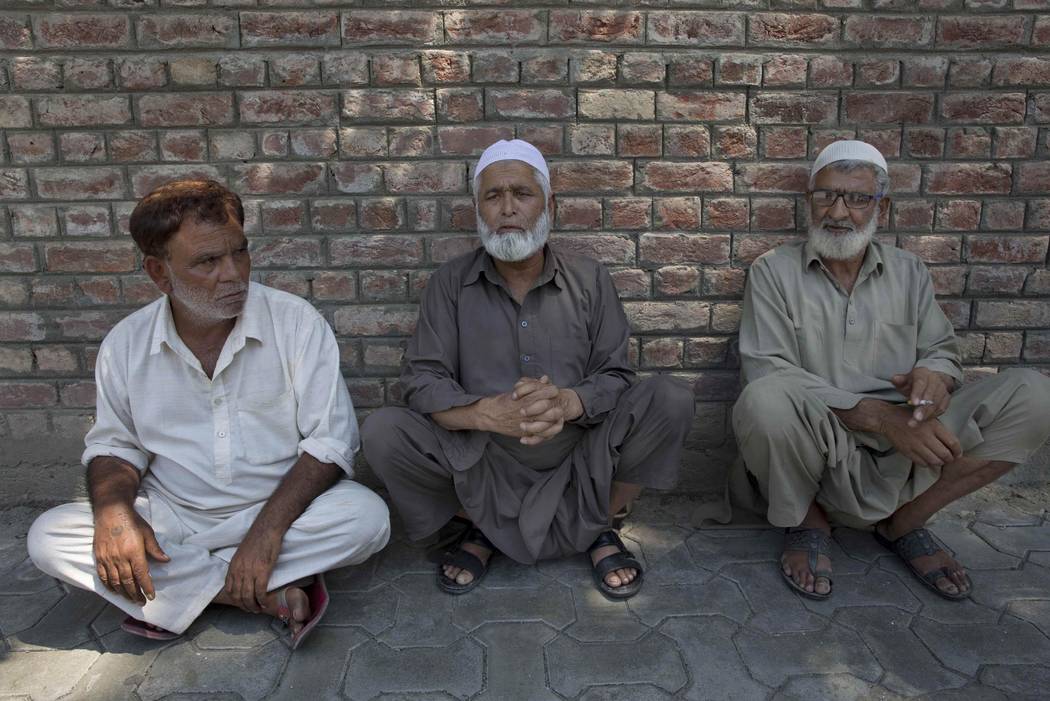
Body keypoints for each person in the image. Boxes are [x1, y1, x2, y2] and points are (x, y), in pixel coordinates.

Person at [27, 180, 390, 647]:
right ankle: (249, 592)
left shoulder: (296, 323)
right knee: (48, 537)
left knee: (367, 518)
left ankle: (181, 590)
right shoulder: (126, 344)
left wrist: (266, 533)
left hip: (279, 511)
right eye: (207, 262)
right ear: (160, 274)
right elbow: (115, 445)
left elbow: (331, 443)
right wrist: (115, 518)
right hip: (173, 518)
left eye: (240, 253)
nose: (234, 274)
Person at [708, 140, 1050, 601]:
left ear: (880, 206)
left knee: (1034, 394)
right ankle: (808, 522)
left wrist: (935, 375)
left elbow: (943, 349)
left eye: (857, 198)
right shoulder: (774, 271)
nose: (838, 211)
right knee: (764, 401)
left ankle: (905, 523)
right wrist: (878, 418)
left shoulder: (909, 271)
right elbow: (768, 368)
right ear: (809, 201)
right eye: (825, 195)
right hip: (823, 438)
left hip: (911, 438)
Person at [362, 139, 695, 599]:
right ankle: (482, 525)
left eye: (522, 194)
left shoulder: (590, 279)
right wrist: (484, 413)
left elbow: (616, 375)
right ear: (477, 209)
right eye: (493, 196)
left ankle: (597, 524)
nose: (507, 209)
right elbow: (421, 381)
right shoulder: (449, 284)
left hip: (582, 456)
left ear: (548, 204)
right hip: (483, 459)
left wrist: (569, 402)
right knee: (383, 431)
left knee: (669, 399)